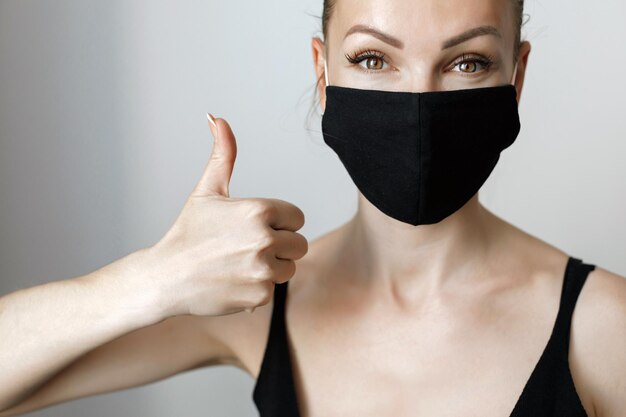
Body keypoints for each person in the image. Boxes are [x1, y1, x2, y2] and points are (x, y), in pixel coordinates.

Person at [0, 0, 624, 416]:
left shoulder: (604, 327)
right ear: (323, 76)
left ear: (515, 81)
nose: (418, 102)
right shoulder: (254, 304)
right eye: (373, 58)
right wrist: (149, 280)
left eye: (467, 63)